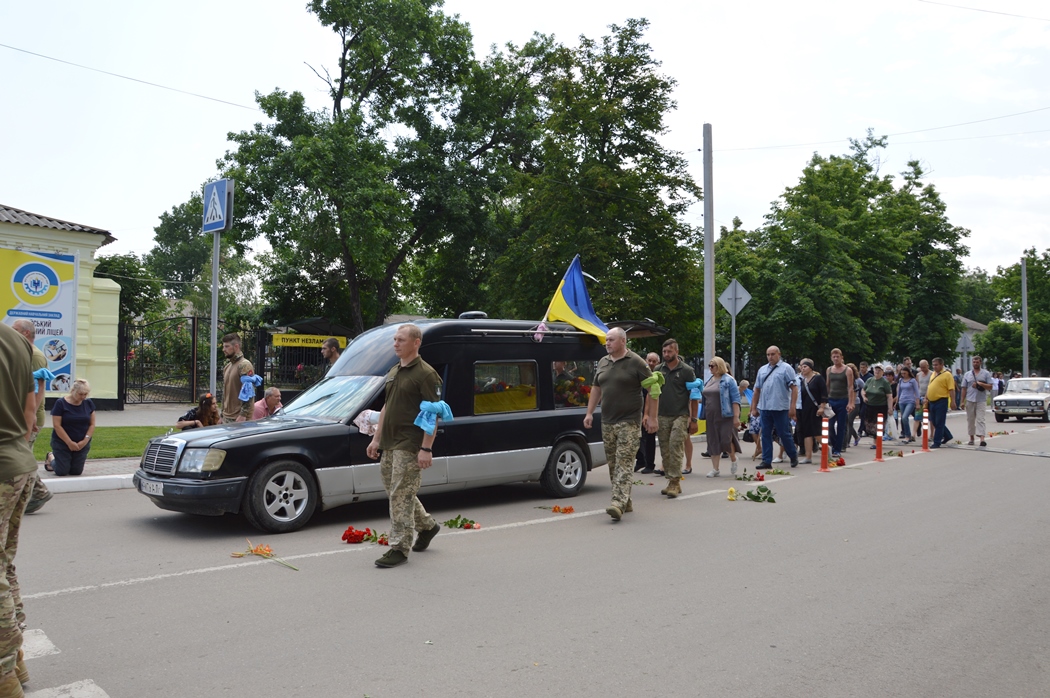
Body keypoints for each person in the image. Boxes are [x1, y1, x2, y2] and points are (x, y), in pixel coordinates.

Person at [366, 324, 443, 568]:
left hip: (410, 444)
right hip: (389, 441)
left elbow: (433, 414)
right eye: (395, 339)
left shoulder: (426, 374)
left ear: (416, 343)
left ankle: (399, 547)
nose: (395, 343)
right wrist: (376, 438)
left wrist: (426, 448)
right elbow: (387, 406)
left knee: (400, 493)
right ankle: (427, 527)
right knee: (397, 491)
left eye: (401, 339)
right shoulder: (394, 370)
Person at [584, 327, 658, 519]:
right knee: (613, 463)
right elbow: (596, 388)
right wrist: (590, 412)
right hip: (607, 421)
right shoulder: (603, 362)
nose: (607, 343)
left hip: (629, 421)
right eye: (606, 340)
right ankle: (626, 500)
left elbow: (654, 389)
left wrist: (652, 417)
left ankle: (617, 502)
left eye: (611, 340)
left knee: (624, 463)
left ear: (623, 341)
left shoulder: (636, 362)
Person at [0, 322, 38, 694]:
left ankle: (4, 672)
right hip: (18, 462)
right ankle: (16, 660)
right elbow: (31, 412)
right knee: (4, 562)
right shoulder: (17, 342)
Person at [11, 320, 52, 514]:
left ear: (26, 333)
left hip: (31, 416)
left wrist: (32, 416)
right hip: (23, 415)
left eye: (15, 330)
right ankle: (35, 493)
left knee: (22, 457)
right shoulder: (23, 352)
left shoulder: (35, 355)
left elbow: (37, 388)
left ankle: (37, 493)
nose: (12, 333)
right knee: (22, 455)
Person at [653, 339, 698, 485]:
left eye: (669, 351)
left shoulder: (687, 371)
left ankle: (674, 483)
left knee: (675, 446)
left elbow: (694, 397)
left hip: (681, 415)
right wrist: (650, 415)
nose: (666, 354)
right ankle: (670, 479)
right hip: (662, 415)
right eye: (664, 351)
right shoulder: (658, 370)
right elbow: (653, 394)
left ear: (676, 352)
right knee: (665, 450)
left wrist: (694, 419)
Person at [752, 346, 799, 469]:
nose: (770, 357)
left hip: (780, 407)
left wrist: (792, 406)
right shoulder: (762, 370)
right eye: (768, 354)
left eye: (773, 354)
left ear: (779, 354)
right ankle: (766, 460)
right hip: (765, 407)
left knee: (783, 433)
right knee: (765, 434)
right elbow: (757, 389)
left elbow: (794, 388)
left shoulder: (786, 368)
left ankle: (793, 455)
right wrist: (754, 407)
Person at [703, 357, 741, 477]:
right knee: (713, 440)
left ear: (719, 366)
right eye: (709, 365)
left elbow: (736, 400)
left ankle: (733, 458)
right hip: (710, 415)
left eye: (712, 366)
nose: (710, 368)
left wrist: (736, 417)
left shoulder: (729, 380)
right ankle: (715, 469)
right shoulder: (709, 380)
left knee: (726, 439)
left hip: (725, 415)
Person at [49, 379, 95, 477]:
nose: (83, 397)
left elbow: (92, 424)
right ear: (73, 391)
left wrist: (85, 440)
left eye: (85, 394)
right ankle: (51, 457)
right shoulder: (60, 403)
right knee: (62, 471)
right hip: (62, 442)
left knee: (76, 471)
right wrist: (69, 442)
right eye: (80, 394)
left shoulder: (88, 403)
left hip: (81, 442)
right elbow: (57, 425)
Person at [825, 349, 855, 458]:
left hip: (843, 400)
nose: (836, 358)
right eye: (834, 356)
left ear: (841, 357)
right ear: (831, 357)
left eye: (838, 356)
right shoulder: (829, 370)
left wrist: (851, 402)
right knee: (830, 425)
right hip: (831, 400)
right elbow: (827, 385)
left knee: (841, 426)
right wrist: (824, 400)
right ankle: (833, 445)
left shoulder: (847, 370)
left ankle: (837, 449)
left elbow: (850, 387)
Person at [796, 358, 827, 464]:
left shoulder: (817, 378)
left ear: (810, 368)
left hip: (815, 409)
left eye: (805, 367)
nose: (802, 369)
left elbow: (824, 393)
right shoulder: (802, 380)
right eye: (801, 367)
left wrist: (822, 407)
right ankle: (808, 456)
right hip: (805, 409)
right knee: (806, 433)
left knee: (816, 432)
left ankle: (827, 448)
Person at [634, 353, 660, 474]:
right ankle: (640, 460)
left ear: (658, 363)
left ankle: (650, 463)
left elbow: (652, 395)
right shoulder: (641, 372)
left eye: (654, 361)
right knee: (637, 436)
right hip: (638, 409)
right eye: (649, 360)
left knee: (649, 437)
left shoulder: (656, 376)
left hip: (652, 410)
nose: (651, 363)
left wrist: (648, 414)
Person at [221, 333, 255, 423]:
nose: (223, 349)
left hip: (238, 419)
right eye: (223, 347)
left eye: (227, 346)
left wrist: (243, 415)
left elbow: (249, 391)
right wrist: (222, 414)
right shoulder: (227, 367)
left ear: (236, 346)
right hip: (227, 417)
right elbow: (225, 393)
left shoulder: (244, 365)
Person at [961, 355, 992, 447]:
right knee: (970, 420)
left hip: (981, 399)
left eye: (977, 362)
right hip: (970, 399)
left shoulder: (986, 374)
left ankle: (982, 439)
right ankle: (971, 438)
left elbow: (990, 386)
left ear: (980, 363)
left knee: (981, 419)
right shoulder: (967, 374)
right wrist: (962, 401)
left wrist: (981, 384)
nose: (975, 363)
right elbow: (964, 388)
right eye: (974, 362)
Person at [925, 357, 956, 448]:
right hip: (932, 401)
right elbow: (929, 386)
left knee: (939, 422)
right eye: (933, 365)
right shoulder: (933, 374)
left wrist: (953, 401)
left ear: (942, 365)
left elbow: (951, 389)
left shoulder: (947, 375)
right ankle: (947, 435)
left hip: (941, 400)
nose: (934, 367)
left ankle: (937, 441)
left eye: (936, 365)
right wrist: (926, 397)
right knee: (934, 421)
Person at [862, 365, 893, 444]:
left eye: (879, 370)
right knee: (870, 424)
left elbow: (889, 396)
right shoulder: (869, 380)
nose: (877, 371)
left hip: (881, 407)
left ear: (883, 372)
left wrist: (890, 408)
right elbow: (863, 390)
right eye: (876, 369)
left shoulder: (885, 382)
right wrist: (864, 397)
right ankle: (875, 440)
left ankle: (876, 442)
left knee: (878, 425)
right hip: (870, 406)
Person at [896, 367, 920, 443]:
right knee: (903, 419)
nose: (903, 375)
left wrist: (917, 403)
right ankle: (907, 435)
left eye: (905, 373)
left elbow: (917, 392)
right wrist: (897, 401)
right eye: (902, 373)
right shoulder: (900, 380)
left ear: (908, 373)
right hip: (902, 401)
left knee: (904, 417)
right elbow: (899, 391)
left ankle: (908, 436)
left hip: (910, 401)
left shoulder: (913, 381)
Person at [846, 362, 864, 449]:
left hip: (855, 403)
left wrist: (864, 395)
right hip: (845, 402)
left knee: (849, 421)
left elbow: (865, 387)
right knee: (847, 422)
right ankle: (856, 437)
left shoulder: (858, 380)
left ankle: (847, 442)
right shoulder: (845, 379)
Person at [914, 359, 932, 439]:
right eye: (921, 367)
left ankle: (932, 435)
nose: (923, 369)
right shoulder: (918, 375)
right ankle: (913, 435)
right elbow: (917, 386)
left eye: (924, 367)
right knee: (917, 416)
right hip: (920, 397)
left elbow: (930, 386)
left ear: (928, 366)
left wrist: (926, 397)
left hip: (929, 398)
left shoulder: (932, 374)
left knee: (930, 417)